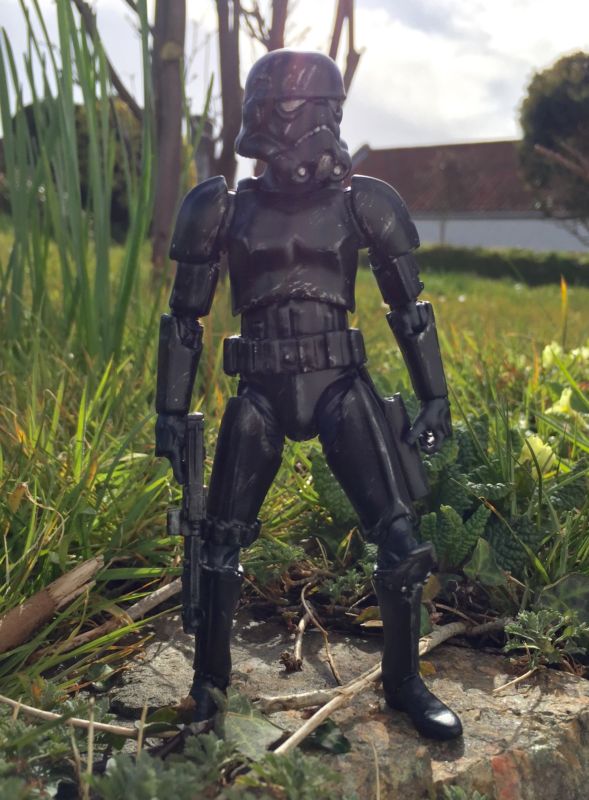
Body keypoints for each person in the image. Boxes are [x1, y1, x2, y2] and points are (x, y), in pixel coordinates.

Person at [155, 49, 462, 741]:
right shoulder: (221, 208)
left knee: (399, 538)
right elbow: (183, 319)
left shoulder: (361, 202)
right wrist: (169, 413)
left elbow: (409, 309)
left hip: (338, 385)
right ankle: (209, 688)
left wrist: (434, 397)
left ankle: (403, 682)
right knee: (218, 544)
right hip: (259, 390)